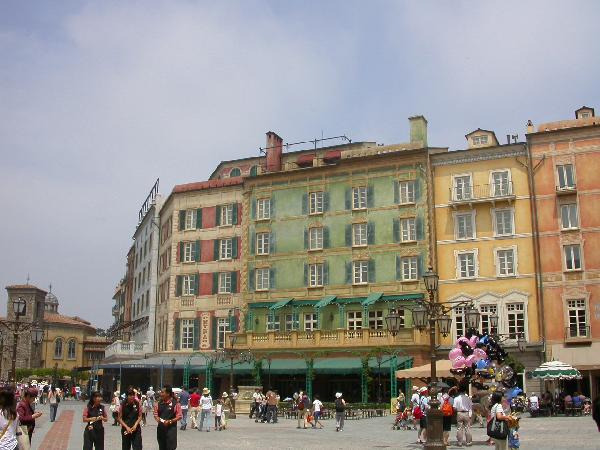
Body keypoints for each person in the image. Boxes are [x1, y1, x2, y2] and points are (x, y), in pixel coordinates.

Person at [154, 385, 182, 450]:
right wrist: (158, 419)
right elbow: (155, 414)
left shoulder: (176, 404)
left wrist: (170, 421)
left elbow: (179, 416)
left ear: (168, 394)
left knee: (171, 447)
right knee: (162, 447)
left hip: (171, 430)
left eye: (162, 392)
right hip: (161, 430)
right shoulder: (158, 403)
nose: (160, 394)